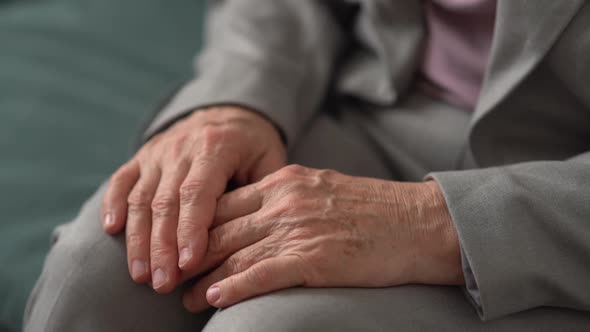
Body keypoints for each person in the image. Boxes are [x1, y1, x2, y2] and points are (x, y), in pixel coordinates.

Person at [24, 0, 590, 331]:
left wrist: (428, 221)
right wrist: (236, 101)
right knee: (96, 269)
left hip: (558, 195)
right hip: (374, 105)